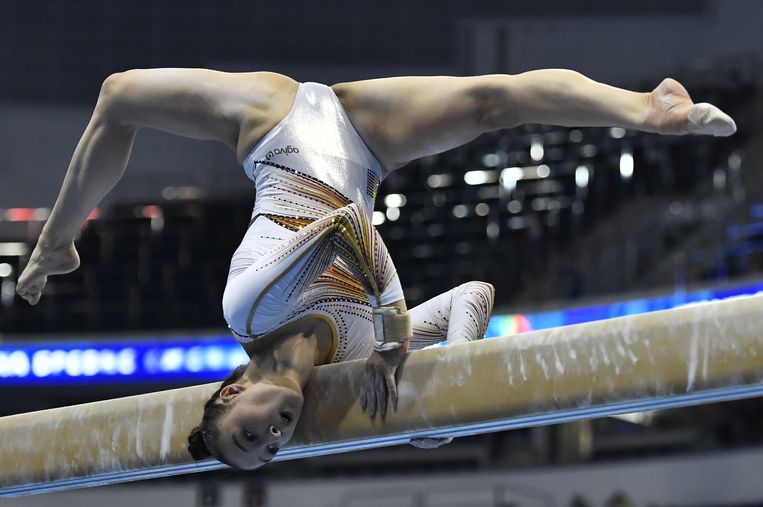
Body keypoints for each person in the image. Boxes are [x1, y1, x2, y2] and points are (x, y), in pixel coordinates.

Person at [15, 69, 735, 468]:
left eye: (249, 433)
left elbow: (345, 226)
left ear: (232, 390)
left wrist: (395, 335)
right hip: (362, 144)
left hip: (272, 124)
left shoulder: (250, 308)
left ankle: (54, 243)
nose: (274, 435)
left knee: (118, 93)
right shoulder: (355, 360)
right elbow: (473, 295)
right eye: (272, 449)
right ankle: (654, 108)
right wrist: (449, 388)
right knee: (493, 104)